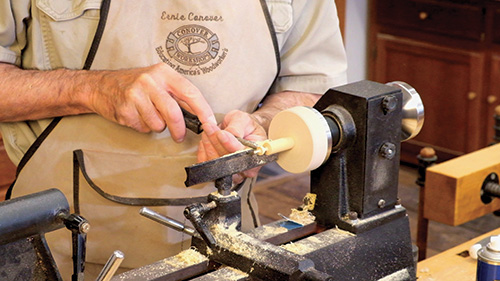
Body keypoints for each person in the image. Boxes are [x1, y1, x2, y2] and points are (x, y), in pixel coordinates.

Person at [0, 0, 347, 279]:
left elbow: (311, 88)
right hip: (58, 249)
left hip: (234, 250)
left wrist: (262, 125)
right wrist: (92, 88)